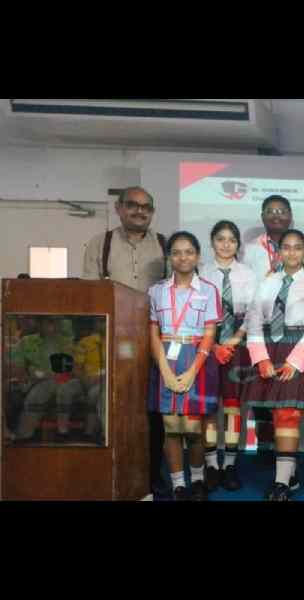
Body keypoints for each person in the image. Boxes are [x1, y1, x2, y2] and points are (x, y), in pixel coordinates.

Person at [82, 185, 168, 496]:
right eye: (132, 205)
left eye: (146, 206)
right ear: (119, 208)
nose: (139, 211)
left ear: (152, 211)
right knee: (110, 407)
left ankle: (152, 473)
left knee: (153, 412)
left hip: (153, 341)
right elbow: (89, 296)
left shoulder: (163, 245)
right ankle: (108, 469)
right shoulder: (100, 244)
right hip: (111, 341)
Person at [242, 229, 304, 500]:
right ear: (279, 251)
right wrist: (261, 357)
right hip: (270, 347)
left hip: (298, 346)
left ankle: (280, 484)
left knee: (288, 415)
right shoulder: (267, 282)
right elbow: (254, 318)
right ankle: (289, 477)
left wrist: (295, 360)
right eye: (287, 247)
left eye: (298, 247)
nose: (292, 252)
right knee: (276, 414)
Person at [147, 231, 222, 501]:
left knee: (192, 428)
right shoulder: (156, 291)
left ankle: (198, 480)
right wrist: (165, 370)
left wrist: (192, 370)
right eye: (177, 252)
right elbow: (153, 333)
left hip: (197, 358)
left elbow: (210, 334)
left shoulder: (209, 290)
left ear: (198, 255)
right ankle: (179, 484)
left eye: (189, 251)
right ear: (169, 257)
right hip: (165, 356)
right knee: (171, 426)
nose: (183, 257)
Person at [198, 220, 260, 492]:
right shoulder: (200, 274)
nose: (226, 244)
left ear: (238, 245)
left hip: (238, 348)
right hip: (206, 347)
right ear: (212, 242)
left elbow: (254, 314)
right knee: (210, 408)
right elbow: (196, 314)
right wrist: (212, 346)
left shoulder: (249, 274)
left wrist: (233, 342)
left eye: (231, 240)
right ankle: (211, 464)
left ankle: (230, 464)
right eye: (220, 239)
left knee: (234, 407)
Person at [13, 317, 85, 443]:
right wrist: (29, 375)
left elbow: (70, 369)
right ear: (39, 323)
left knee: (49, 388)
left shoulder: (66, 342)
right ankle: (24, 437)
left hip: (65, 381)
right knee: (41, 390)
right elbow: (18, 369)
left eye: (55, 323)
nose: (52, 327)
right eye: (48, 322)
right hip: (37, 382)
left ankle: (25, 436)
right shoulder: (26, 341)